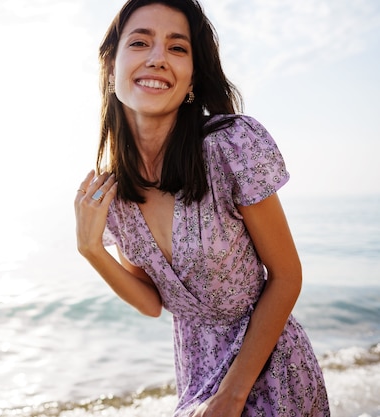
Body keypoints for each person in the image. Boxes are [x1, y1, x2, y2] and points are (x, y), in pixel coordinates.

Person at [73, 0, 331, 416]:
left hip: (269, 368)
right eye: (140, 42)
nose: (158, 58)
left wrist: (232, 395)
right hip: (195, 376)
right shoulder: (117, 193)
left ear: (192, 75)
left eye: (177, 48)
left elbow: (286, 277)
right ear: (111, 66)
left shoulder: (231, 146)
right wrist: (92, 250)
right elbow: (151, 302)